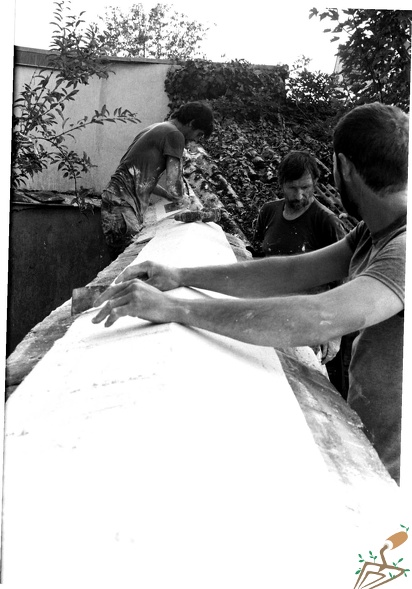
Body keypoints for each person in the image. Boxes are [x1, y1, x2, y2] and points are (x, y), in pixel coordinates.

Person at [92, 102, 408, 485]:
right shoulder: (373, 232)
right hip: (372, 442)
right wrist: (178, 275)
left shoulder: (403, 247)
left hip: (392, 473)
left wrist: (174, 309)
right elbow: (290, 271)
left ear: (342, 166)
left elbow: (320, 316)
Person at [253, 151, 346, 389]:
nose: (299, 195)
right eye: (292, 188)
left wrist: (333, 333)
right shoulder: (269, 212)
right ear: (281, 184)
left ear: (315, 183)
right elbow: (258, 259)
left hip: (309, 323)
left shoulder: (326, 222)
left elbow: (344, 282)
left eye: (306, 187)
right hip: (272, 314)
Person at [101, 101, 214, 257]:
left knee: (120, 257)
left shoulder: (155, 128)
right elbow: (174, 183)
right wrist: (188, 203)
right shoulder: (175, 135)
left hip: (115, 199)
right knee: (131, 258)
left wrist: (167, 196)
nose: (196, 140)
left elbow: (140, 177)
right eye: (199, 134)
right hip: (123, 204)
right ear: (191, 123)